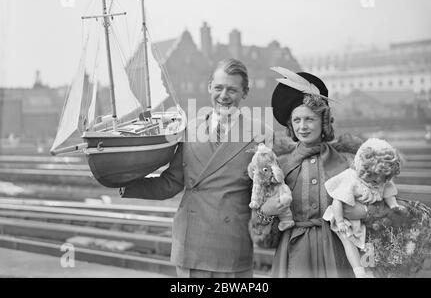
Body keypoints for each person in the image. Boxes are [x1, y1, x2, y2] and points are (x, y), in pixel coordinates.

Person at [119, 58, 273, 278]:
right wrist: (124, 184)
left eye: (232, 89)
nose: (224, 96)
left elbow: (264, 195)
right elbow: (171, 183)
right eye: (218, 87)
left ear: (244, 93)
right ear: (209, 87)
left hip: (233, 244)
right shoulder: (189, 130)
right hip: (191, 242)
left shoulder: (261, 134)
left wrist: (265, 227)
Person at [251, 69, 368, 277]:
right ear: (290, 124)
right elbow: (263, 240)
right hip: (293, 258)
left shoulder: (347, 163)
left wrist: (364, 212)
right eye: (297, 120)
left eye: (309, 119)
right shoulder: (279, 168)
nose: (302, 127)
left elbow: (377, 211)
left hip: (339, 255)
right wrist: (266, 212)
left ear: (323, 122)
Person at [322, 137, 404, 277]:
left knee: (369, 241)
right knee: (348, 240)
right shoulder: (351, 178)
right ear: (364, 169)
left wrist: (393, 205)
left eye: (381, 178)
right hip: (345, 216)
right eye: (373, 178)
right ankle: (358, 271)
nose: (377, 182)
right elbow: (338, 200)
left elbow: (388, 193)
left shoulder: (381, 180)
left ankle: (369, 269)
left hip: (367, 218)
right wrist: (340, 221)